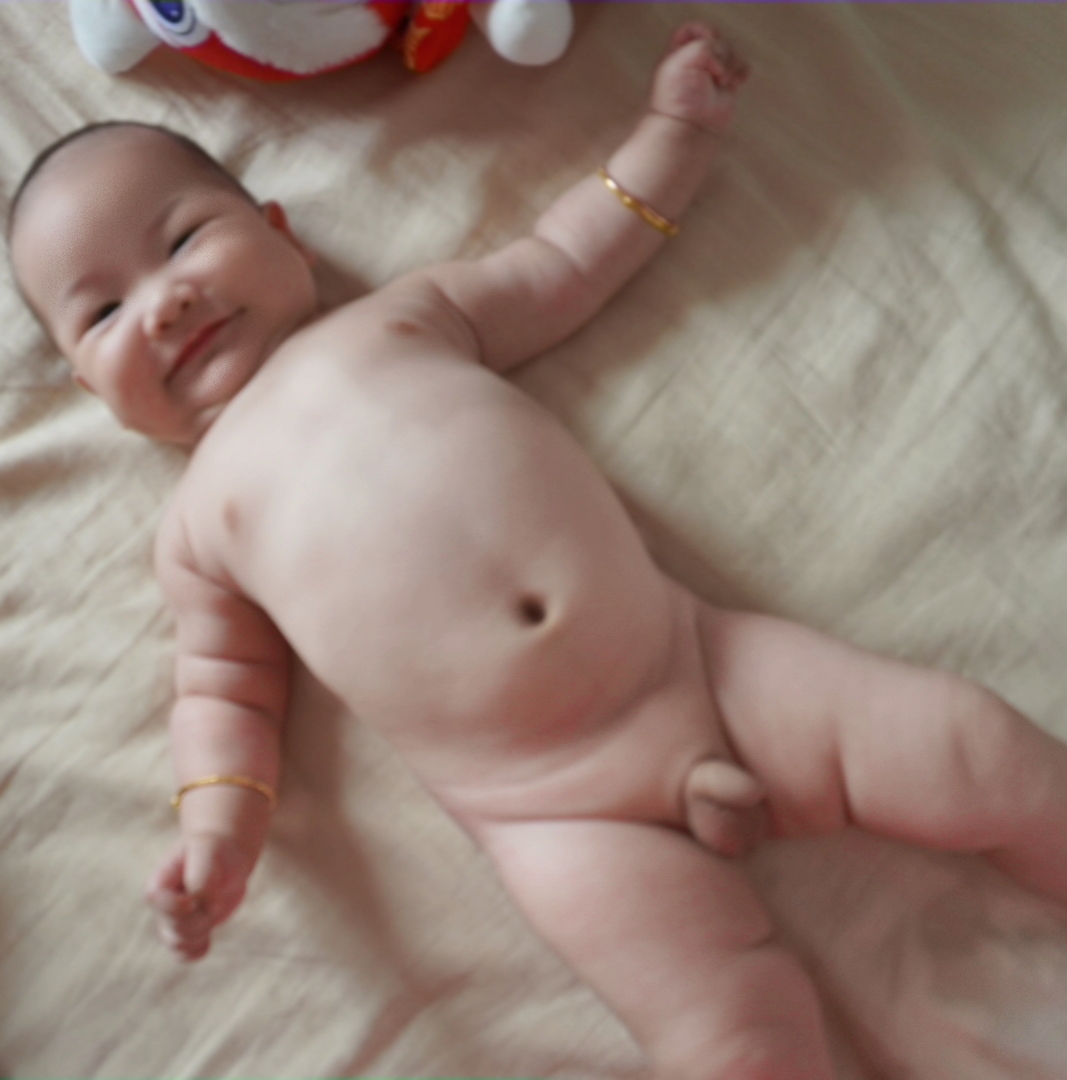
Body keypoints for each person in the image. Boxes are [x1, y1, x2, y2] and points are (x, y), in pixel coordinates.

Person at [8, 24, 1067, 1080]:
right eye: (102, 312)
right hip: (551, 812)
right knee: (723, 1034)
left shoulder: (404, 317)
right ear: (93, 390)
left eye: (183, 240)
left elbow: (563, 260)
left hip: (704, 666)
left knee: (973, 745)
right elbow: (223, 694)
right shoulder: (197, 532)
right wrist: (218, 837)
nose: (164, 303)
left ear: (283, 233)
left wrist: (675, 134)